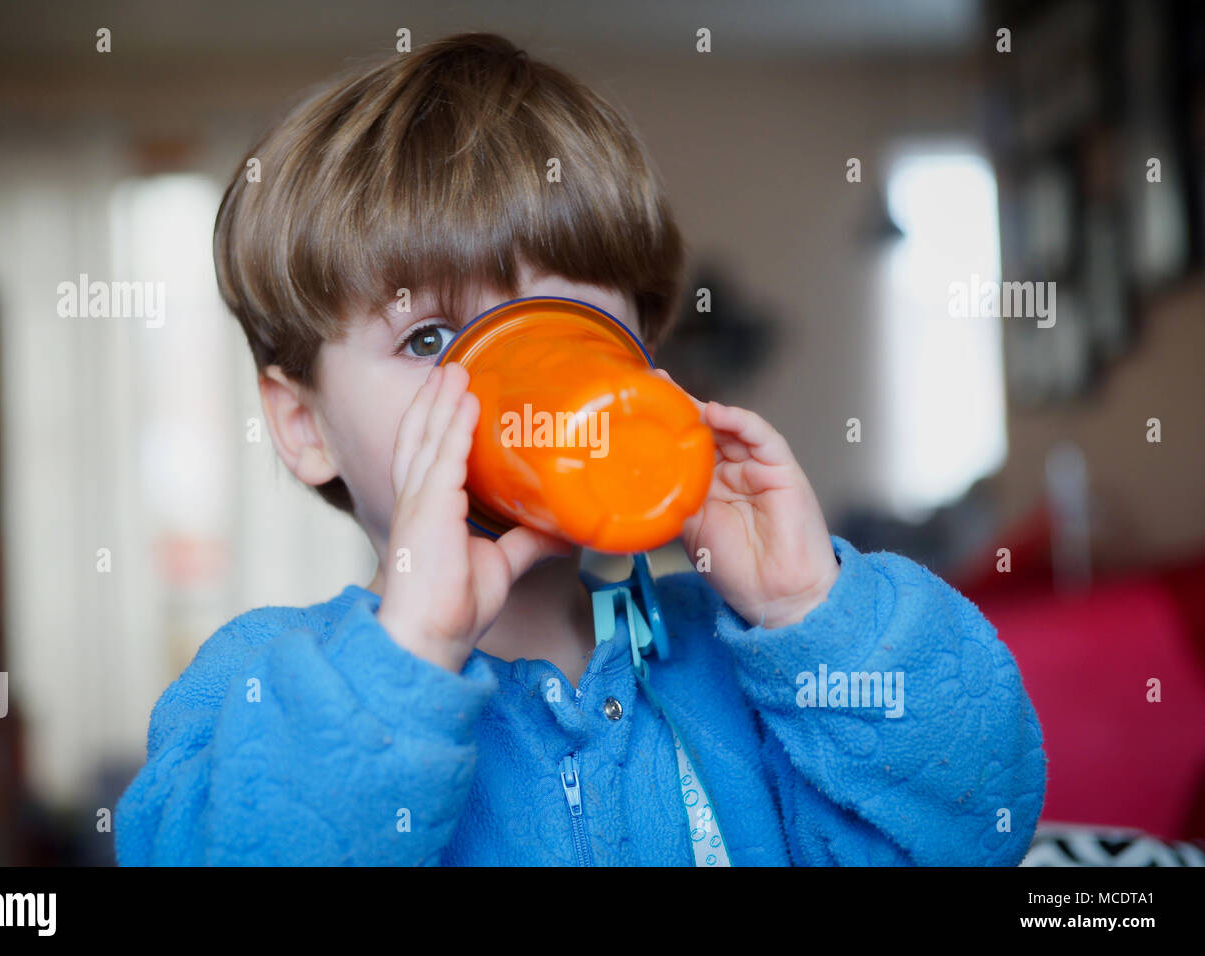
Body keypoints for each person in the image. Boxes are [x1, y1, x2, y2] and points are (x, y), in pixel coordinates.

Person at [115, 32, 1045, 866]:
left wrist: (812, 613)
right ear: (303, 423)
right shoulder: (264, 680)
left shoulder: (738, 666)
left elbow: (974, 830)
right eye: (430, 341)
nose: (523, 395)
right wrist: (403, 663)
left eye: (575, 330)